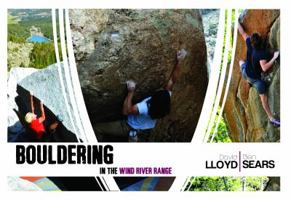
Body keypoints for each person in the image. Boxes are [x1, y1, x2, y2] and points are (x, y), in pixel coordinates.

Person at [94, 49, 187, 142]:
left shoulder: (143, 108)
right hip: (142, 128)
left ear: (153, 100)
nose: (161, 89)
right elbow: (172, 80)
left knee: (96, 128)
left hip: (128, 126)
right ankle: (133, 138)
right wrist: (179, 61)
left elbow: (125, 112)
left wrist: (131, 91)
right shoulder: (164, 102)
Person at [237, 22, 280, 126]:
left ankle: (247, 79)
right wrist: (274, 57)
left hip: (245, 72)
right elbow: (264, 68)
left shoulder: (249, 43)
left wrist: (236, 22)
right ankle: (271, 118)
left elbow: (242, 32)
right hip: (255, 80)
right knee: (263, 98)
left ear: (252, 42)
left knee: (241, 62)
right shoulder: (261, 53)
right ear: (261, 41)